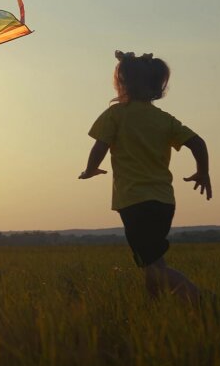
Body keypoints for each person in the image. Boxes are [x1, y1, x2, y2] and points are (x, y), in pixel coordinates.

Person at [78, 51, 211, 304]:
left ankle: (201, 299)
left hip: (134, 202)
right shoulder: (164, 119)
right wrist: (203, 171)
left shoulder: (115, 114)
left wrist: (90, 169)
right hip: (164, 203)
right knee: (152, 262)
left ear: (122, 83)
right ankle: (154, 309)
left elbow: (100, 147)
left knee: (153, 266)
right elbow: (198, 142)